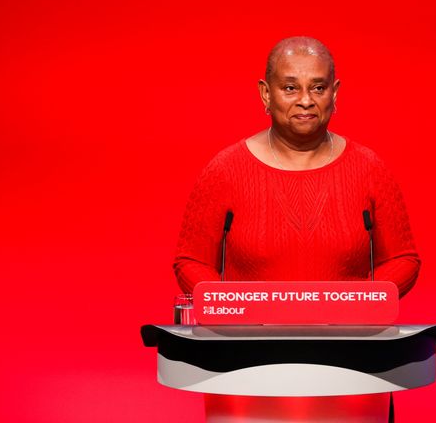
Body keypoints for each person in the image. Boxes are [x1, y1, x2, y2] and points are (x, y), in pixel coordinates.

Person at [174, 36, 420, 297]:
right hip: (249, 335)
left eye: (318, 88)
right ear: (266, 93)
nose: (305, 100)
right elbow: (191, 262)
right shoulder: (225, 170)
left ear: (334, 93)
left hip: (348, 334)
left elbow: (403, 259)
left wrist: (360, 302)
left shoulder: (369, 168)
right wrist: (232, 308)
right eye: (290, 88)